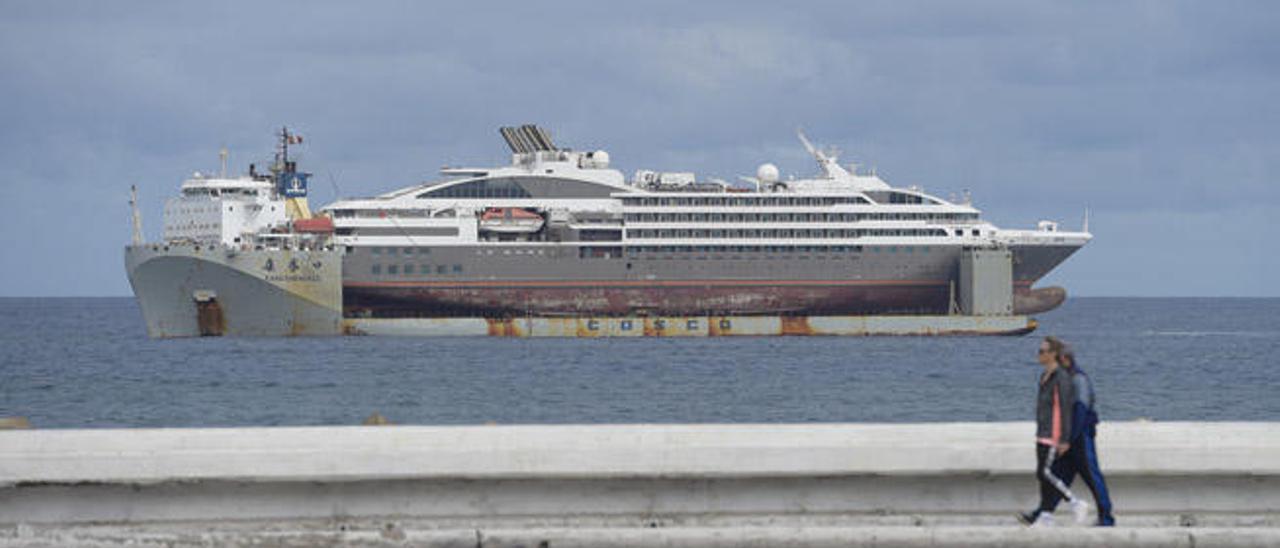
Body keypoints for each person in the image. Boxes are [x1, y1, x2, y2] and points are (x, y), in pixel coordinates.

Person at [1018, 336, 1090, 527]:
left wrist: (1064, 439)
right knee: (1042, 475)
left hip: (1054, 435)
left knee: (1045, 473)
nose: (1039, 354)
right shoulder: (1044, 377)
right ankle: (1046, 516)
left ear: (1053, 355)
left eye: (1042, 351)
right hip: (1042, 433)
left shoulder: (1061, 379)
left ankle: (1075, 502)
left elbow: (1065, 410)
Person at [1041, 345, 1117, 526]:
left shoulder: (1078, 380)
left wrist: (1068, 439)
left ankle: (1106, 517)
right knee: (1058, 476)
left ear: (1066, 360)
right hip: (1071, 437)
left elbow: (1080, 412)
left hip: (1080, 437)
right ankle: (1041, 514)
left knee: (1092, 477)